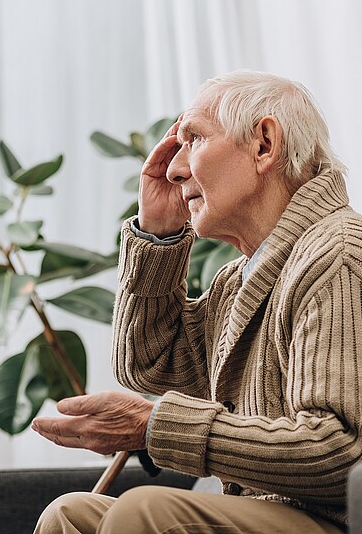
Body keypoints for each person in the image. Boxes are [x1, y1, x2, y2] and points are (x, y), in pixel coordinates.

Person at [31, 70, 362, 533]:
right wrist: (158, 232)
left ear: (264, 144)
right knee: (71, 515)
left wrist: (155, 426)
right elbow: (146, 362)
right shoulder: (240, 280)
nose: (174, 168)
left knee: (143, 512)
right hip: (273, 516)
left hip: (335, 521)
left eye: (196, 139)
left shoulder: (339, 255)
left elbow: (342, 450)